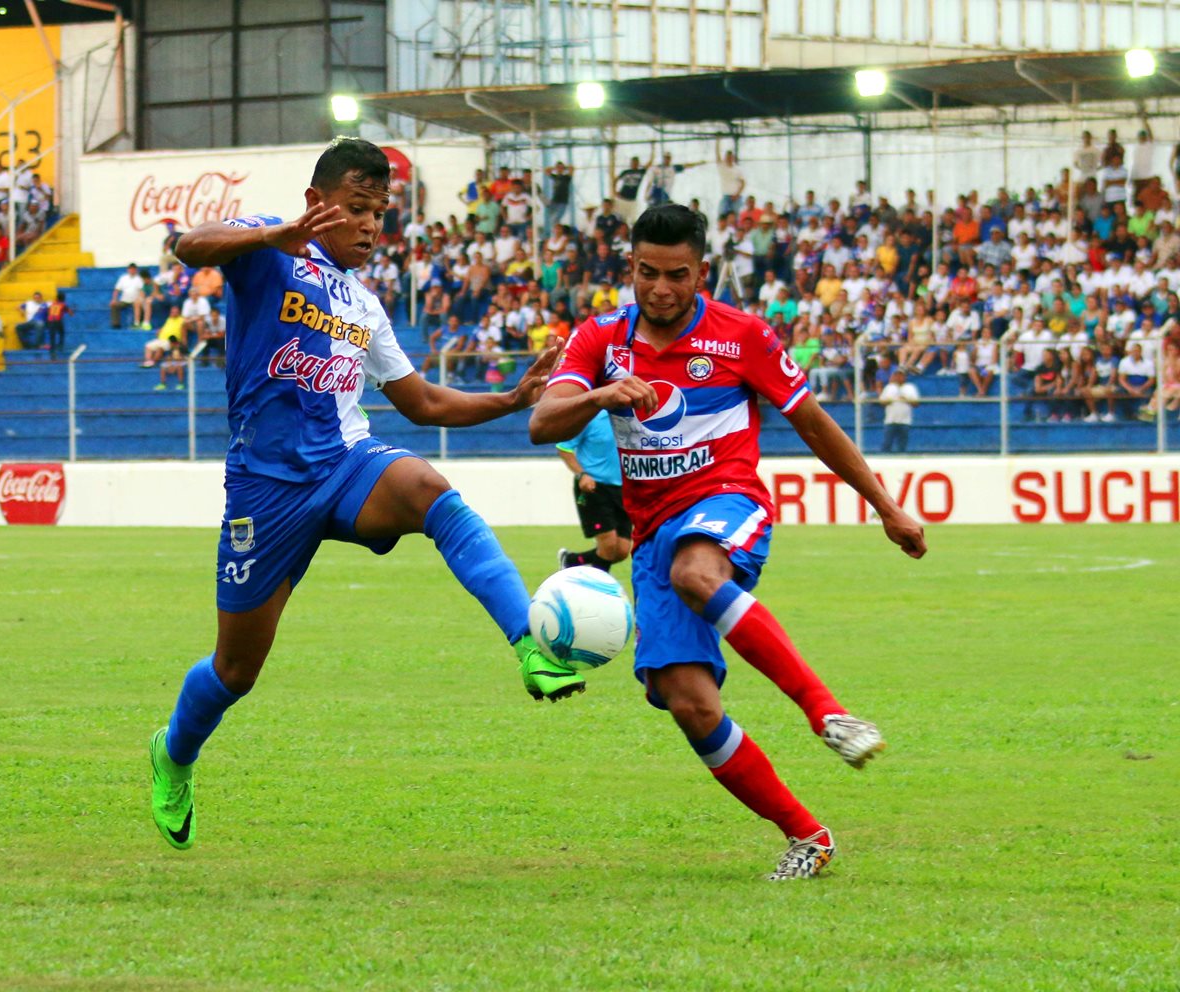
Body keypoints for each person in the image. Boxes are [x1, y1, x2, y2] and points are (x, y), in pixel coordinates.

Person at [148, 137, 578, 852]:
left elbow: (423, 405)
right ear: (316, 204)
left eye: (380, 212)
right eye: (357, 209)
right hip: (266, 487)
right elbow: (189, 247)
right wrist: (278, 234)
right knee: (235, 670)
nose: (373, 226)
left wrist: (508, 399)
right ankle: (174, 752)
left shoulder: (364, 306)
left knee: (427, 487)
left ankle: (530, 643)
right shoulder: (265, 248)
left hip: (346, 463)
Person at [529, 204, 926, 882]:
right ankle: (809, 836)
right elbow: (543, 420)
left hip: (725, 502)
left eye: (676, 275)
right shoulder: (599, 339)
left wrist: (886, 507)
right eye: (647, 273)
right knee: (689, 704)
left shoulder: (742, 336)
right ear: (630, 268)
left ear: (701, 272)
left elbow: (815, 425)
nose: (660, 288)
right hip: (651, 533)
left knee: (696, 570)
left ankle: (827, 714)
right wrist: (600, 395)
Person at [555, 410, 630, 572]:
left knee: (622, 550)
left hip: (623, 489)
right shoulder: (588, 418)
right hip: (594, 487)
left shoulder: (628, 418)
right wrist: (581, 474)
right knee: (608, 545)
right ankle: (598, 589)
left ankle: (571, 560)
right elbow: (564, 448)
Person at [879, 365, 920, 452]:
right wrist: (891, 400)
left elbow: (916, 403)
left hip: (905, 421)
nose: (898, 377)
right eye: (896, 375)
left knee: (902, 444)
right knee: (887, 443)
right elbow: (882, 402)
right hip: (890, 420)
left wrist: (906, 399)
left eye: (901, 375)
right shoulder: (889, 387)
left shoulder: (910, 388)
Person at [110, 263, 147, 329]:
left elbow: (142, 291)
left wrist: (140, 299)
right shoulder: (123, 278)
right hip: (124, 300)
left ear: (136, 270)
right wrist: (114, 299)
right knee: (114, 305)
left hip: (135, 301)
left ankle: (138, 323)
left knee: (140, 304)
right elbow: (117, 290)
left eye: (133, 269)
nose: (132, 270)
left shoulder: (139, 279)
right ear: (128, 270)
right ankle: (116, 324)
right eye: (130, 269)